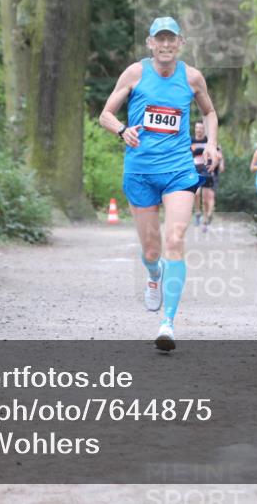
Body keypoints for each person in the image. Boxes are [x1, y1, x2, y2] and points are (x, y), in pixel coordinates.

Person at [99, 17, 218, 351]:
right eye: (159, 40)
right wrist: (122, 130)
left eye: (171, 40)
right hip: (140, 171)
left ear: (180, 43)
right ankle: (154, 274)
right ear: (150, 43)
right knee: (152, 250)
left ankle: (168, 323)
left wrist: (210, 143)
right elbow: (105, 113)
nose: (166, 46)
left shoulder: (192, 77)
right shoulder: (135, 74)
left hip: (179, 170)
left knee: (175, 238)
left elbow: (210, 113)